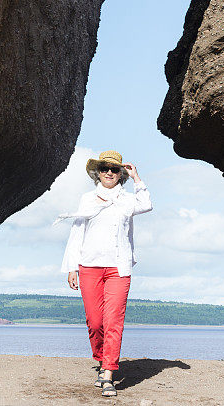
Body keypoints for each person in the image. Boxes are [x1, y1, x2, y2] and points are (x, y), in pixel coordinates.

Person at [52, 150, 153, 397]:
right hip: (89, 266)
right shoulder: (87, 198)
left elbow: (147, 205)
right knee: (95, 322)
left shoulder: (128, 199)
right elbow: (77, 232)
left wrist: (137, 178)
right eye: (105, 168)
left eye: (115, 169)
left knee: (114, 321)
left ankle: (108, 372)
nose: (110, 172)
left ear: (121, 174)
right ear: (98, 172)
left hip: (119, 267)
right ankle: (101, 359)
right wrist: (72, 267)